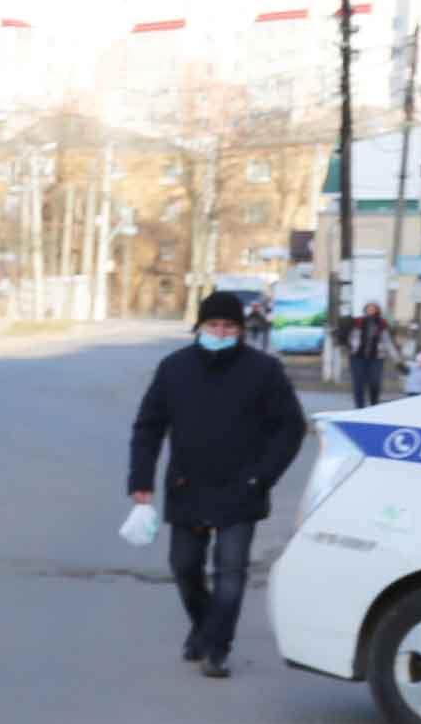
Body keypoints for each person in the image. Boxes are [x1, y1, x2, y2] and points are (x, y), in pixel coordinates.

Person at [127, 289, 308, 682]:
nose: (221, 332)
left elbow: (290, 427)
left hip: (241, 488)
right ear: (199, 327)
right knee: (185, 566)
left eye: (229, 326)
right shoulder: (174, 368)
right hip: (187, 485)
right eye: (213, 325)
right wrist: (141, 480)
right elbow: (149, 426)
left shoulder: (264, 371)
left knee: (231, 573)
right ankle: (204, 626)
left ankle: (216, 648)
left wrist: (262, 475)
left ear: (241, 331)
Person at [349, 302, 390, 412]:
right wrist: (350, 346)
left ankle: (374, 405)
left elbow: (387, 341)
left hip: (376, 357)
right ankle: (359, 408)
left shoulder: (382, 323)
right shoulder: (358, 321)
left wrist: (398, 360)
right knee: (358, 383)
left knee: (375, 382)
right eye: (369, 308)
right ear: (365, 310)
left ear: (377, 310)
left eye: (373, 308)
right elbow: (351, 336)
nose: (371, 310)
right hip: (358, 356)